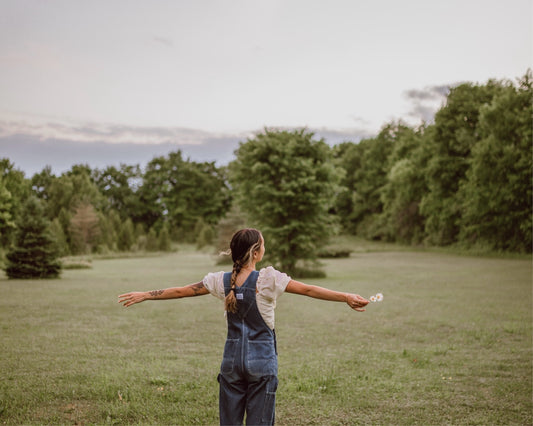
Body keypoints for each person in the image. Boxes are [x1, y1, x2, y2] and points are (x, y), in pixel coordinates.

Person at [118, 228, 369, 426]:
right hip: (262, 364)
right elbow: (309, 289)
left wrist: (147, 294)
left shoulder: (220, 281)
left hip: (231, 365)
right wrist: (346, 296)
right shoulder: (269, 279)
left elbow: (183, 291)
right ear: (257, 252)